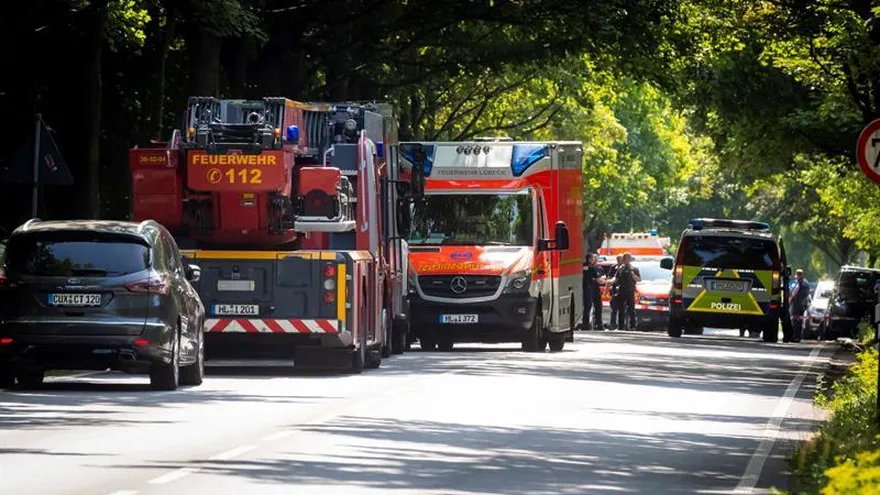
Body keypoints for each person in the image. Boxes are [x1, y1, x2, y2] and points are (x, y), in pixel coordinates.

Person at [610, 253, 641, 330]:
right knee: (621, 309)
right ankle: (621, 326)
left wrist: (633, 274)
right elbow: (616, 278)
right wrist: (610, 281)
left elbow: (639, 279)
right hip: (621, 291)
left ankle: (632, 325)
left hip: (630, 291)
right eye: (625, 259)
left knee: (631, 309)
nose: (626, 260)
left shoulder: (634, 269)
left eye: (628, 259)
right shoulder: (620, 269)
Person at [581, 253, 605, 330]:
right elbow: (599, 280)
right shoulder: (592, 268)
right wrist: (607, 281)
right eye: (593, 258)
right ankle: (598, 324)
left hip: (585, 289)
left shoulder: (581, 266)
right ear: (590, 259)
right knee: (595, 307)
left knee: (587, 308)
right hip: (591, 289)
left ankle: (585, 324)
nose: (594, 260)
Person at [789, 269, 810, 343]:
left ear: (797, 275)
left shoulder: (797, 283)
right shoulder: (806, 283)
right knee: (800, 321)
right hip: (803, 305)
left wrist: (789, 301)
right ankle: (798, 336)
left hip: (796, 305)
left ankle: (795, 336)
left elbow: (793, 294)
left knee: (794, 321)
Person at [607, 255, 623, 329]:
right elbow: (610, 278)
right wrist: (608, 287)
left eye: (620, 260)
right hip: (614, 290)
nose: (619, 261)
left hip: (623, 290)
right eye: (618, 260)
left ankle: (622, 324)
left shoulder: (625, 268)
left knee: (622, 309)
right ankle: (613, 324)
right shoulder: (613, 268)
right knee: (614, 308)